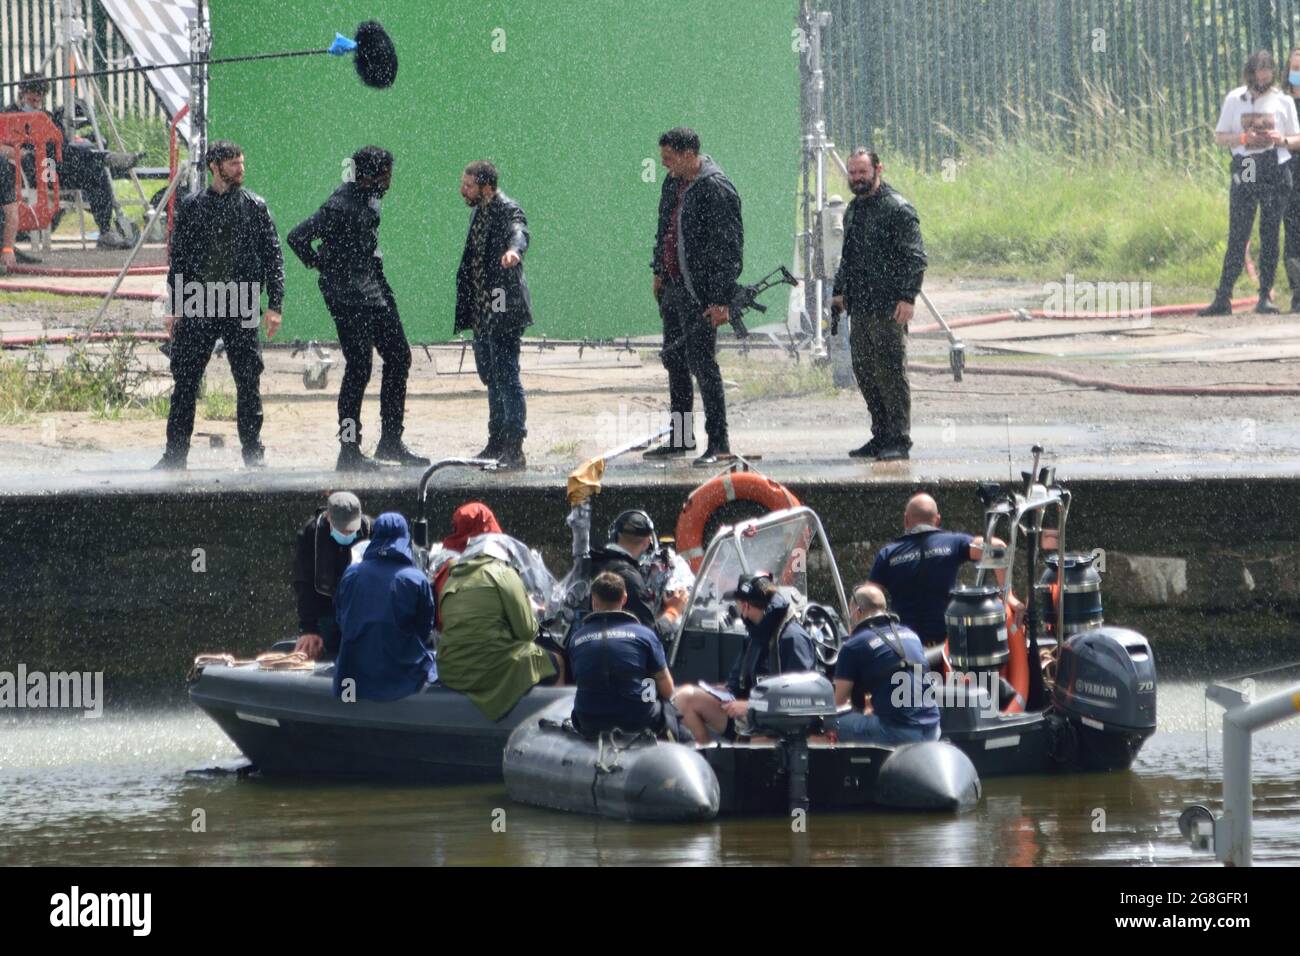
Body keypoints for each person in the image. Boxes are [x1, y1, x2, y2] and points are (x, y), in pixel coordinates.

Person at [287, 146, 428, 471]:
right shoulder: (340, 205)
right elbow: (297, 237)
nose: (390, 183)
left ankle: (390, 442)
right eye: (387, 176)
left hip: (373, 285)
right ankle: (348, 450)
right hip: (347, 294)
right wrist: (324, 265)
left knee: (398, 356)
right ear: (369, 176)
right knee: (360, 367)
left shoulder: (368, 198)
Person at [154, 141, 283, 470]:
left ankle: (253, 453)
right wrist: (174, 305)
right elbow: (179, 259)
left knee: (248, 379)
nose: (240, 169)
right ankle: (174, 456)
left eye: (242, 162)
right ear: (215, 166)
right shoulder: (193, 205)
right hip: (199, 301)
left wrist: (275, 305)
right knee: (185, 381)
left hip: (241, 302)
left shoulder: (255, 206)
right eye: (233, 164)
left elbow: (273, 256)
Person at [645, 127, 743, 466]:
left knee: (704, 365)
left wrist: (721, 300)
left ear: (689, 155)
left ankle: (719, 442)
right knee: (674, 360)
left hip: (700, 294)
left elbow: (730, 249)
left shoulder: (716, 189)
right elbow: (664, 229)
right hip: (673, 287)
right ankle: (681, 436)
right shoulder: (673, 183)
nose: (666, 166)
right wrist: (659, 270)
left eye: (670, 159)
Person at [831, 147, 927, 461]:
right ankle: (880, 434)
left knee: (890, 373)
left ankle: (899, 439)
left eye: (862, 172)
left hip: (889, 307)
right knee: (866, 371)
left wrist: (908, 297)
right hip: (860, 306)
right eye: (853, 173)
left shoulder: (897, 209)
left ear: (878, 170)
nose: (857, 178)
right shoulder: (853, 210)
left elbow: (915, 257)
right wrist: (839, 290)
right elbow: (848, 256)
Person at [1199, 50, 1300, 316]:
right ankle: (1223, 296)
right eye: (1258, 69)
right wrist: (1243, 139)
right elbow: (1220, 137)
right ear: (1250, 71)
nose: (1263, 74)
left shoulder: (1284, 101)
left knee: (1270, 231)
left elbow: (1296, 137)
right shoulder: (1235, 99)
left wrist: (1282, 140)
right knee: (1239, 230)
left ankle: (1265, 295)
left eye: (1267, 69)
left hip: (1275, 166)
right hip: (1247, 164)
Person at [454, 160, 532, 470]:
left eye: (469, 185)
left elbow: (520, 231)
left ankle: (514, 446)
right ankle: (495, 441)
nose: (463, 190)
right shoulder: (478, 210)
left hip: (503, 307)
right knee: (491, 377)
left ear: (486, 187)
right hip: (482, 312)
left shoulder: (506, 208)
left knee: (506, 376)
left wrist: (515, 250)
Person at [673, 574, 816, 742]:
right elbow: (736, 684)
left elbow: (801, 701)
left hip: (780, 725)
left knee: (758, 742)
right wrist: (721, 691)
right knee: (683, 698)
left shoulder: (793, 639)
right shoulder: (755, 634)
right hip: (750, 717)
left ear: (746, 606)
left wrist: (751, 707)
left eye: (738, 605)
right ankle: (705, 763)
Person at [3, 74, 136, 252]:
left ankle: (105, 231)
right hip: (30, 171)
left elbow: (61, 147)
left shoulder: (48, 116)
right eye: (33, 92)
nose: (37, 97)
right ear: (23, 92)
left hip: (54, 170)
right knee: (48, 150)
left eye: (41, 93)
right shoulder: (8, 115)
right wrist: (21, 152)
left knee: (96, 172)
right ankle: (103, 157)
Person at [437, 536, 561, 720]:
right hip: (489, 667)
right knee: (556, 661)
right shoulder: (504, 572)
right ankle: (554, 723)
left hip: (451, 670)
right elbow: (526, 632)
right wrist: (531, 611)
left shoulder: (452, 579)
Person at [867, 492, 1002, 647]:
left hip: (905, 647)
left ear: (906, 520)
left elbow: (867, 597)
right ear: (938, 520)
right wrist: (1007, 595)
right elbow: (997, 548)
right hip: (945, 645)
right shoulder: (954, 543)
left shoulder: (888, 554)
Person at [568, 571, 690, 740]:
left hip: (589, 722)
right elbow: (667, 689)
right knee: (681, 727)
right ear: (624, 598)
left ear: (594, 601)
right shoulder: (645, 635)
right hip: (639, 721)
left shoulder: (576, 639)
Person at [333, 512, 437, 701]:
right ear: (406, 538)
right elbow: (424, 629)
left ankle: (351, 701)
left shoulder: (351, 573)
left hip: (353, 670)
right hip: (400, 670)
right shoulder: (416, 579)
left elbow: (341, 618)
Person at [833, 583, 940, 745]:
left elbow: (838, 702)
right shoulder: (911, 635)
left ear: (857, 611)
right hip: (933, 729)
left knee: (828, 726)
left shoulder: (854, 646)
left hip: (899, 732)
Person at [291, 491, 373, 661]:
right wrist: (308, 629)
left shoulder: (372, 530)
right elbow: (303, 582)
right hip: (325, 609)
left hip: (361, 612)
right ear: (328, 517)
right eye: (340, 529)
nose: (345, 533)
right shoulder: (310, 533)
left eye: (350, 529)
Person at [586, 510, 688, 647]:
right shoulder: (630, 578)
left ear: (614, 536)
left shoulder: (593, 565)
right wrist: (672, 611)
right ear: (648, 542)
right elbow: (650, 636)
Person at [1282, 47, 1300, 311]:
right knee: (1293, 230)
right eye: (1295, 68)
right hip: (1287, 173)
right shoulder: (1281, 102)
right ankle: (1297, 292)